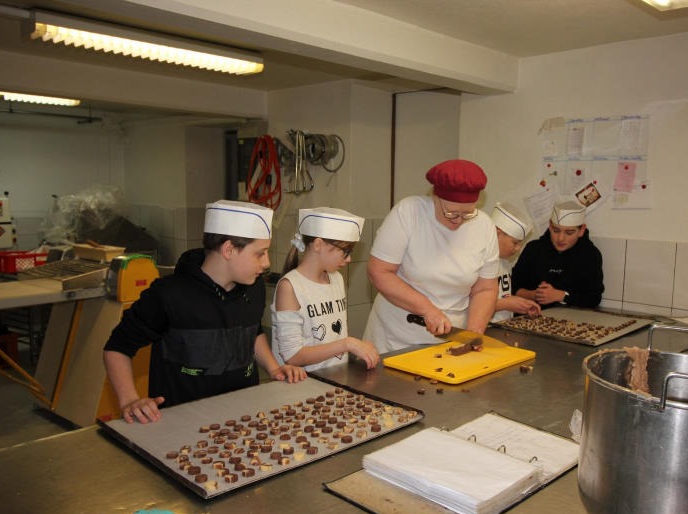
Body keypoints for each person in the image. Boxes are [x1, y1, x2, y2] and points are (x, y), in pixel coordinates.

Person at [103, 200, 307, 424]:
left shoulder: (254, 288)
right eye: (260, 254)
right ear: (228, 249)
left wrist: (274, 368)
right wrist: (129, 400)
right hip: (183, 421)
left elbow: (252, 330)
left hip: (244, 414)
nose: (267, 263)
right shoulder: (170, 295)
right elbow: (117, 348)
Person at [363, 159, 500, 353]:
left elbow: (485, 289)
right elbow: (379, 272)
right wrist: (427, 309)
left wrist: (474, 331)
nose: (459, 220)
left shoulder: (484, 226)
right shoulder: (409, 213)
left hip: (452, 340)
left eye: (467, 213)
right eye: (451, 213)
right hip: (396, 338)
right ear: (435, 196)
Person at [271, 207, 379, 371]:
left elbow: (334, 337)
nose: (349, 259)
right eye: (345, 251)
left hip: (334, 378)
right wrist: (347, 344)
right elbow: (293, 356)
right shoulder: (290, 286)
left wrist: (360, 347)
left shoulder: (337, 279)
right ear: (319, 244)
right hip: (301, 386)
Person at [511, 200, 604, 308]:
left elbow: (594, 298)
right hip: (530, 317)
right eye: (556, 230)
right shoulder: (533, 249)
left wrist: (561, 296)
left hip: (571, 320)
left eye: (569, 233)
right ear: (550, 226)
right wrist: (535, 295)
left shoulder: (590, 255)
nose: (560, 238)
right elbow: (513, 287)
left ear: (581, 230)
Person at [490, 202, 541, 322]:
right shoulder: (478, 261)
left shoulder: (504, 261)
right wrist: (507, 304)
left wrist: (522, 304)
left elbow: (503, 297)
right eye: (515, 243)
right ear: (497, 234)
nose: (518, 248)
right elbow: (470, 306)